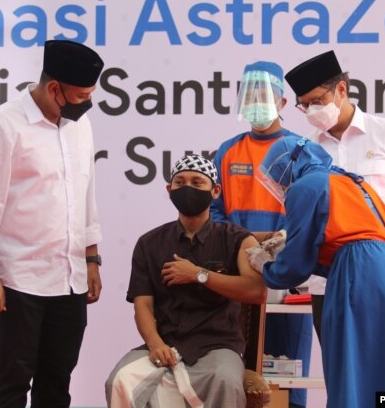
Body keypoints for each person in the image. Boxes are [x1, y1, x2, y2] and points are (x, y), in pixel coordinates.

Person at [0, 39, 105, 408]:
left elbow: (86, 194)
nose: (86, 103)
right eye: (80, 95)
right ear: (54, 88)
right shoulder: (1, 126)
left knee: (57, 381)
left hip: (69, 277)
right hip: (19, 280)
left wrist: (91, 258)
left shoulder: (80, 126)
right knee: (12, 382)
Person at [247, 136, 385, 408]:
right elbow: (347, 238)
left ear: (289, 166)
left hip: (363, 276)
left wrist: (267, 265)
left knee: (355, 370)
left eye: (279, 178)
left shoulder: (306, 186)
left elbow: (295, 268)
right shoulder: (352, 181)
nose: (281, 186)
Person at [284, 50, 385, 340]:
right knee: (340, 375)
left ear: (341, 89)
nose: (312, 111)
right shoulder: (306, 151)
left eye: (317, 101)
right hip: (328, 284)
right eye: (304, 106)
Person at [105, 154, 267, 408]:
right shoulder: (149, 243)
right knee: (119, 380)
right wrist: (156, 345)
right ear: (169, 190)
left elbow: (256, 291)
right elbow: (142, 305)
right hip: (166, 343)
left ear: (215, 191)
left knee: (224, 380)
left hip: (218, 346)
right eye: (180, 182)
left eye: (197, 182)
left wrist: (199, 275)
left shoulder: (238, 239)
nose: (187, 187)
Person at [211, 61, 313, 408]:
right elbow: (214, 211)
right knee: (235, 370)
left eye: (264, 95)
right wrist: (242, 245)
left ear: (283, 102)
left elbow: (311, 212)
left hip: (287, 273)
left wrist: (278, 243)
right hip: (237, 275)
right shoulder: (227, 152)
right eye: (249, 95)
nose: (256, 102)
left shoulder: (302, 150)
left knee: (286, 370)